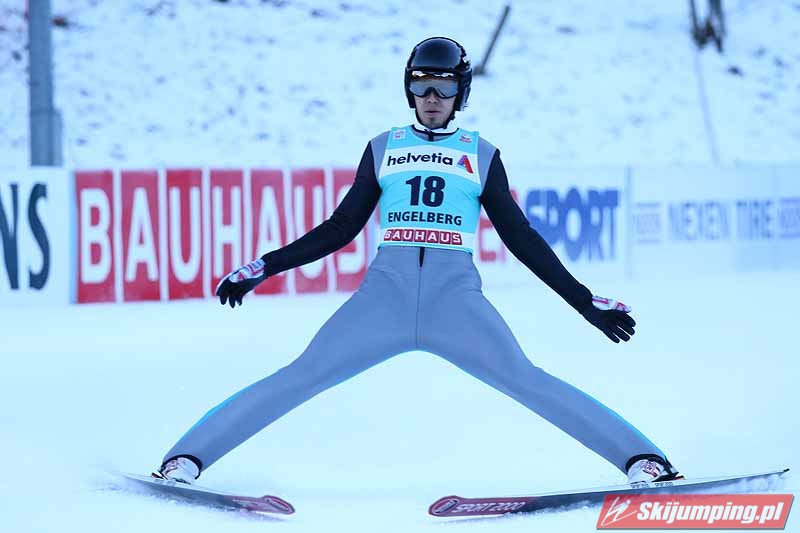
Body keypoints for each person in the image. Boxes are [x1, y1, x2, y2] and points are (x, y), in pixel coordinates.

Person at [153, 37, 680, 486]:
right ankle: (187, 460)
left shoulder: (481, 153)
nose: (431, 99)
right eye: (422, 86)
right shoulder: (384, 147)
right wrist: (265, 266)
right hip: (385, 299)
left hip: (457, 304)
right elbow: (340, 228)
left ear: (461, 94)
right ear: (408, 90)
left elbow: (520, 237)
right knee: (302, 375)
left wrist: (584, 302)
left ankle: (642, 458)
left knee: (526, 379)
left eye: (444, 88)